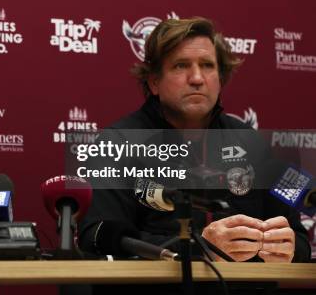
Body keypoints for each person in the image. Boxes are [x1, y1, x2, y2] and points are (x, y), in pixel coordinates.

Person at [79, 17, 310, 263]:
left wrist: (289, 248)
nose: (197, 78)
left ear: (220, 78)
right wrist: (200, 249)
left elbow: (299, 240)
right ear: (154, 81)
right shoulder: (117, 144)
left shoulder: (249, 142)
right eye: (181, 65)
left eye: (208, 65)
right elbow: (98, 238)